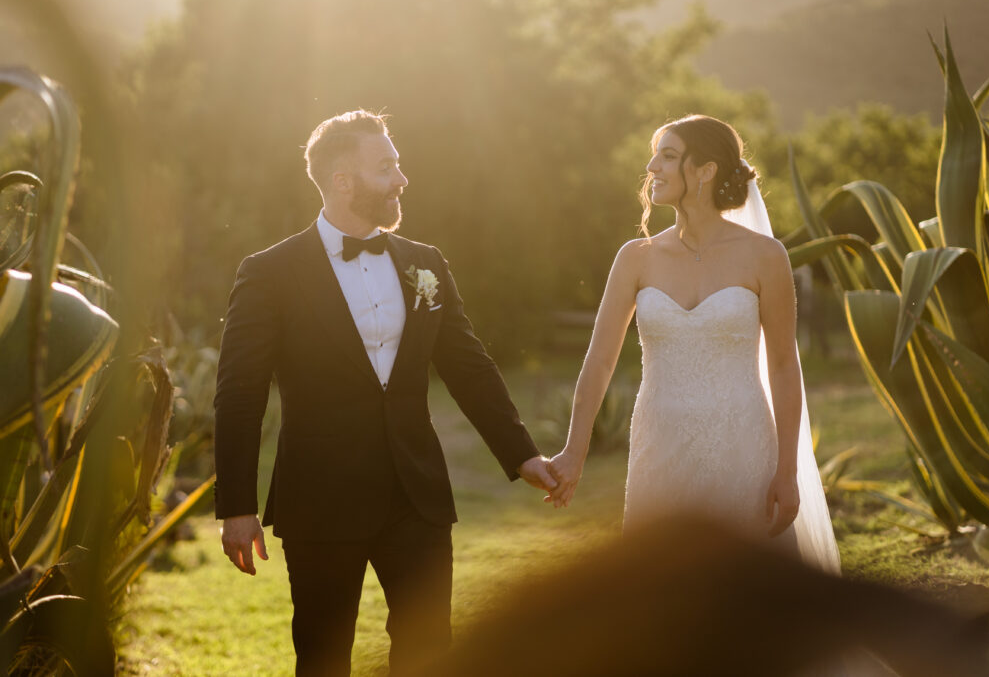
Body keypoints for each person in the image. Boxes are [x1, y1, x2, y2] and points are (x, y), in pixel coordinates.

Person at [213, 109, 557, 676]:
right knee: (323, 657)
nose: (402, 179)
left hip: (415, 497)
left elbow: (468, 366)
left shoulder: (426, 265)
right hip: (319, 501)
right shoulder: (269, 273)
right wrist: (237, 507)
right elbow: (240, 393)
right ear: (343, 181)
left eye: (398, 164)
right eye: (386, 167)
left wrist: (522, 454)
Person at [547, 114, 840, 572]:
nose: (651, 167)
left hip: (742, 446)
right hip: (659, 446)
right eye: (654, 155)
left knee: (744, 591)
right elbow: (600, 361)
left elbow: (784, 366)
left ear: (706, 171)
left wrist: (787, 470)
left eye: (668, 156)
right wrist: (573, 453)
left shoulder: (766, 257)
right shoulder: (635, 258)